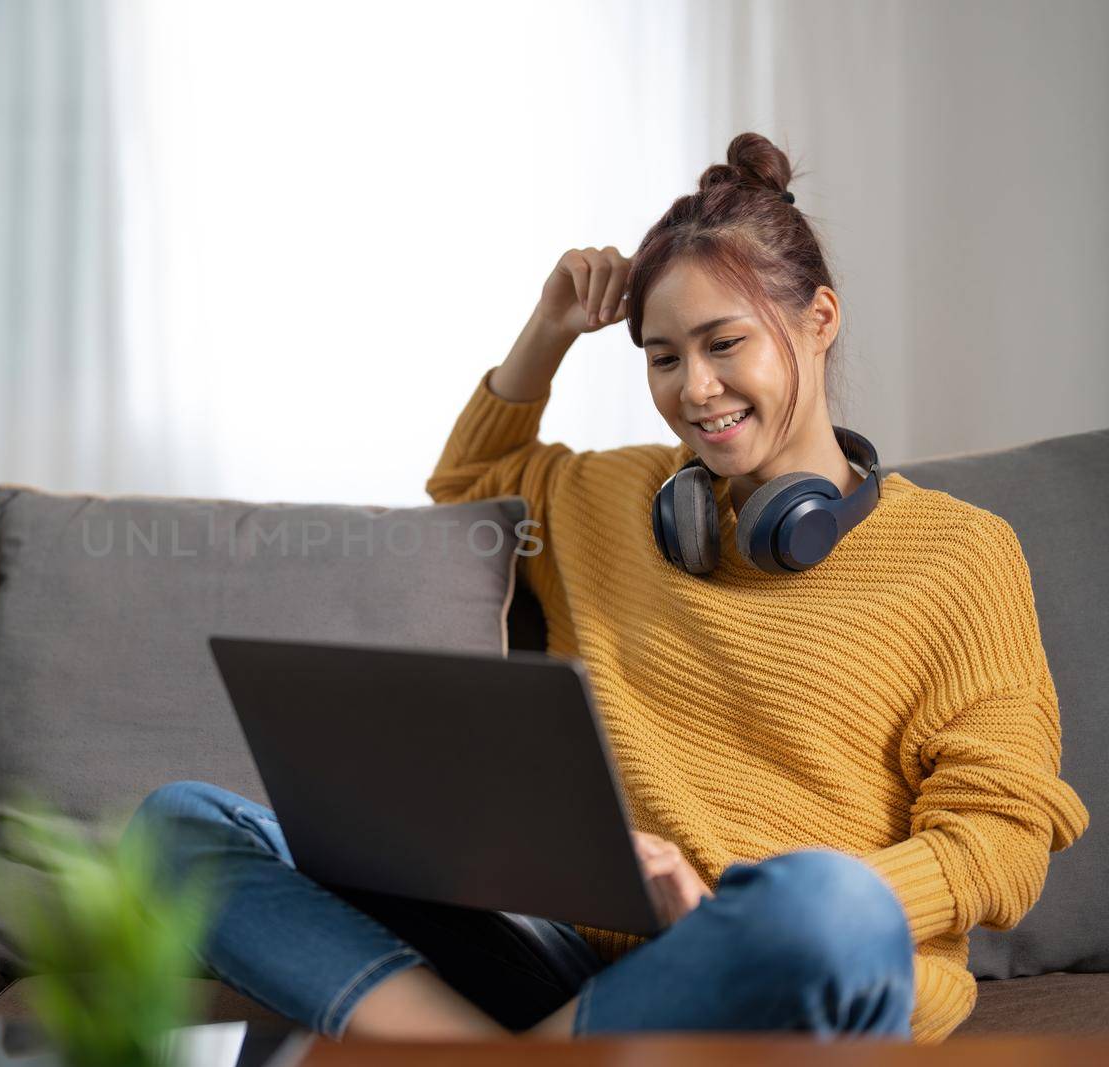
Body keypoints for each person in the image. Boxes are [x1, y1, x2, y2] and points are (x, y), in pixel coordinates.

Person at [124, 132, 1089, 1045]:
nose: (695, 389)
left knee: (825, 901)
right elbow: (467, 485)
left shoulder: (961, 554)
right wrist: (546, 329)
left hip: (792, 958)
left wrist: (741, 914)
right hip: (578, 960)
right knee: (177, 824)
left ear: (819, 319)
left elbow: (999, 839)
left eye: (723, 344)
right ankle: (512, 1056)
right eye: (663, 359)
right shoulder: (621, 496)